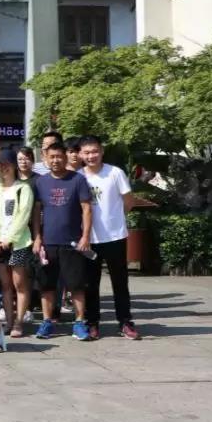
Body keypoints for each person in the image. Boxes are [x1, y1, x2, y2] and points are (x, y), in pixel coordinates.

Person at [79, 135, 140, 340]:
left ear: (102, 151)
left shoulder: (115, 173)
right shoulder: (78, 176)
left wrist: (116, 219)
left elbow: (129, 201)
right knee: (90, 284)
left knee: (120, 282)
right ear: (80, 154)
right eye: (87, 152)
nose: (91, 156)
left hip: (115, 236)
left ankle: (125, 322)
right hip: (89, 239)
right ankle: (92, 323)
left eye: (95, 151)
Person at [31, 141, 93, 340]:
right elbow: (36, 212)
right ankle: (47, 322)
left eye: (59, 156)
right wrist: (37, 238)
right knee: (47, 286)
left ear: (66, 157)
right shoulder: (41, 182)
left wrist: (85, 236)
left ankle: (79, 323)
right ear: (45, 158)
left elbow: (86, 209)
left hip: (72, 243)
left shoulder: (78, 180)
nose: (55, 160)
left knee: (76, 285)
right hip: (48, 243)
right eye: (52, 157)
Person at [0, 148, 35, 337]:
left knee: (19, 284)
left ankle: (19, 322)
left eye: (7, 164)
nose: (3, 168)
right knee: (5, 285)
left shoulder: (24, 188)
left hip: (19, 243)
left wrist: (9, 240)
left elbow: (23, 217)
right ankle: (8, 321)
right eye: (0, 165)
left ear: (14, 166)